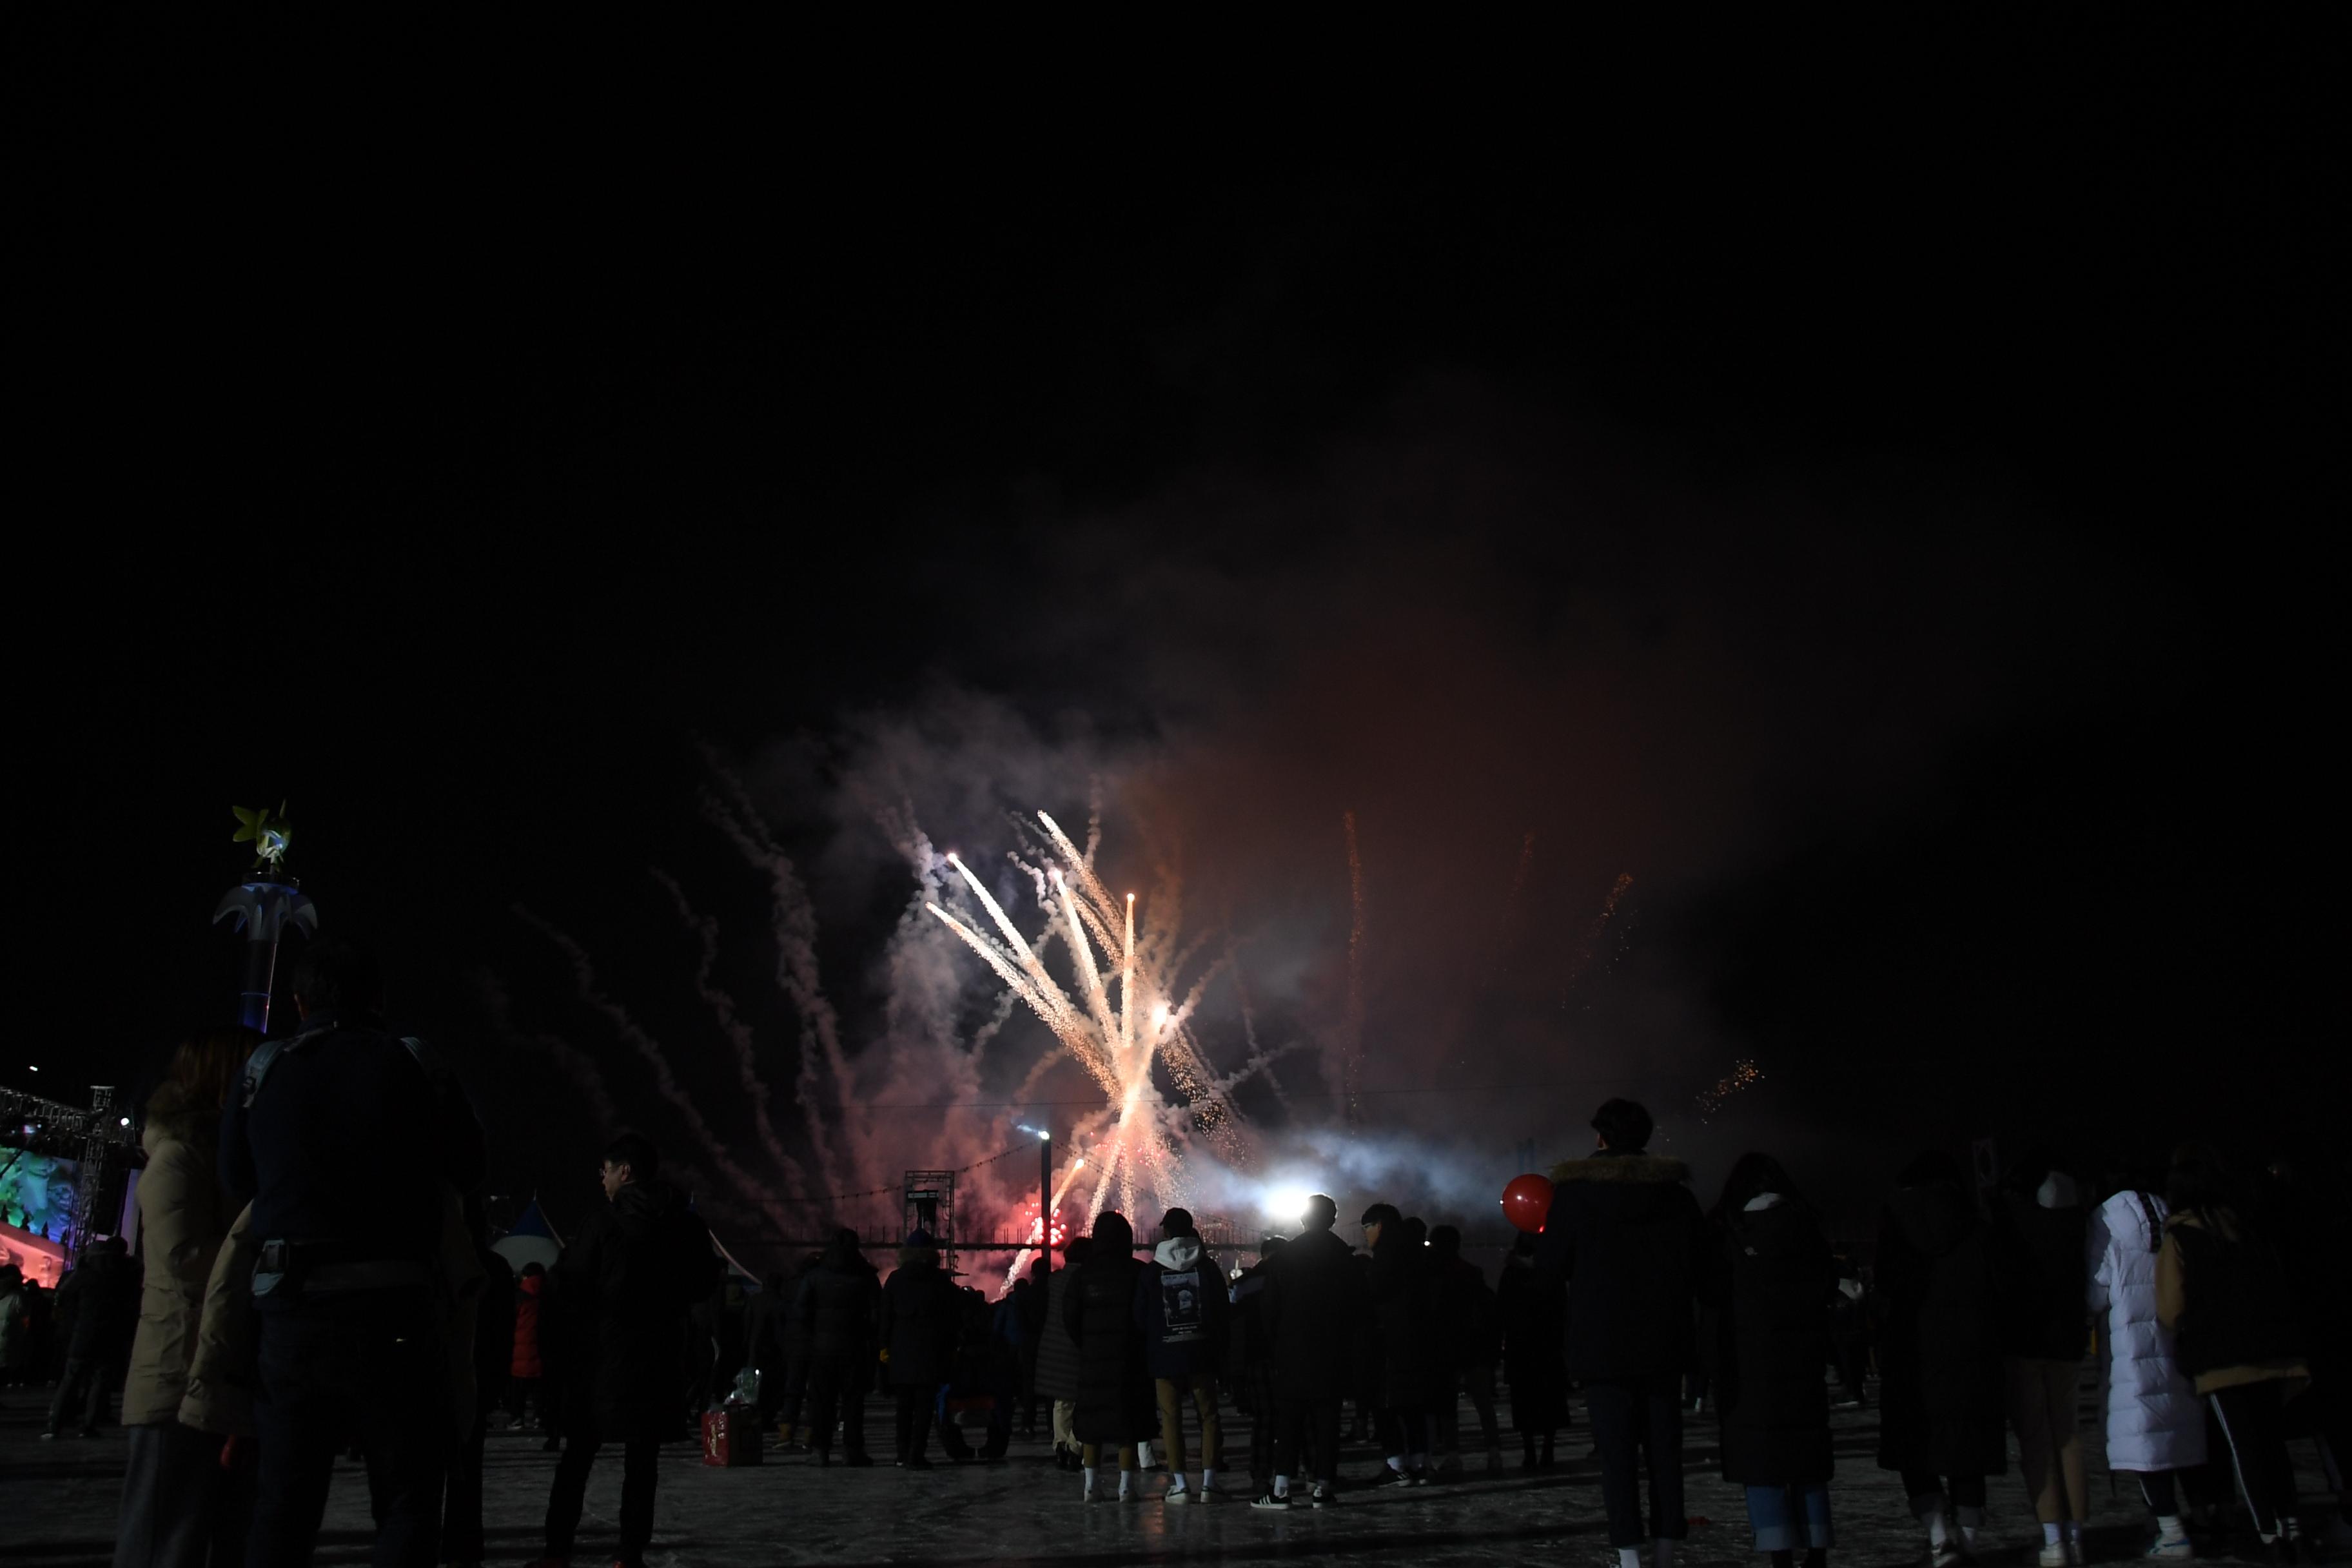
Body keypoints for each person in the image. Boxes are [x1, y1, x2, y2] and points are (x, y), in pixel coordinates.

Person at [531, 1131, 720, 1568]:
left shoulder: (603, 1224)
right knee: (643, 1463)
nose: (603, 1179)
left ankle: (558, 1552)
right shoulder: (686, 1225)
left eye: (607, 1170)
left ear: (626, 1171)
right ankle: (629, 1554)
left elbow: (569, 1288)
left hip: (602, 1359)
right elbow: (704, 1283)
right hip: (659, 1359)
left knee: (577, 1458)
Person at [1536, 1097, 1709, 1568]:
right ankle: (1667, 1549)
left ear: (1602, 1138)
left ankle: (1629, 1553)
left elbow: (1551, 1266)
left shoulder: (1575, 1195)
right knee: (1664, 1451)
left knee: (1616, 1455)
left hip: (1602, 1342)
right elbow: (1702, 1266)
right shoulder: (1676, 1195)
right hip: (1663, 1340)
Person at [110, 1025, 257, 1568]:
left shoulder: (222, 1158)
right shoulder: (176, 1156)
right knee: (162, 1540)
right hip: (174, 1373)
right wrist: (261, 1251)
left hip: (216, 1372)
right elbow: (185, 1258)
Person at [2156, 1141, 2309, 1562]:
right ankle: (2292, 1525)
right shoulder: (2245, 1226)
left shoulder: (2180, 1236)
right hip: (2273, 1351)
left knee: (2246, 1449)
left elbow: (2170, 1309)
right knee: (2273, 1445)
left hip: (2222, 1359)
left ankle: (2267, 1536)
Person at [1705, 1153, 1838, 1568]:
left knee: (1761, 1464)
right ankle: (1817, 1550)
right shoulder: (1804, 1226)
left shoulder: (1727, 1233)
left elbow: (1711, 1303)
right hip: (1802, 1363)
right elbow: (1826, 1287)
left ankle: (1778, 1551)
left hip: (1748, 1366)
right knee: (1807, 1460)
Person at [1874, 1149, 2006, 1568]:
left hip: (1911, 1354)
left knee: (1916, 1447)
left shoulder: (1896, 1225)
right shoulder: (1974, 1223)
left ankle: (1938, 1537)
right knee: (1967, 1447)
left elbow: (1884, 1287)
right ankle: (1967, 1540)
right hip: (1970, 1352)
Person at [2086, 1171, 2206, 1560]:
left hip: (2130, 1348)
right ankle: (2200, 1519)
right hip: (2175, 1340)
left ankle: (2171, 1529)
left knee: (2145, 1441)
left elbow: (2095, 1291)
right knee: (2181, 1431)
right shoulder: (2166, 1212)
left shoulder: (2105, 1221)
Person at [1990, 1150, 2092, 1567]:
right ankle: (2076, 1534)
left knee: (2036, 1440)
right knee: (2068, 1435)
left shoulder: (2007, 1222)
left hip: (2022, 1341)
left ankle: (2054, 1539)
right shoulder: (2072, 1221)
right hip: (2066, 1341)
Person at [1253, 1194, 1369, 1511]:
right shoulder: (1344, 1257)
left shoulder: (1286, 1256)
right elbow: (1359, 1310)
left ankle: (1281, 1490)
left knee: (1289, 1422)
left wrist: (1275, 1343)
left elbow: (1270, 1308)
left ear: (1303, 1220)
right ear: (1332, 1220)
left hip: (1292, 1350)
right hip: (1333, 1351)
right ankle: (1323, 1488)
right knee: (1328, 1422)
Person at [1133, 1208, 1226, 1502]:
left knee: (1171, 1419)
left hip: (1164, 1354)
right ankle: (1210, 1484)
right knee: (1209, 1417)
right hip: (1202, 1352)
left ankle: (1180, 1484)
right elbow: (1223, 1311)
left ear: (1167, 1232)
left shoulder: (1151, 1271)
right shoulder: (1208, 1268)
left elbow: (1139, 1316)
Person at [1063, 1211, 1154, 1502]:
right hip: (1130, 1359)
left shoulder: (1081, 1276)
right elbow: (1146, 1317)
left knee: (1092, 1424)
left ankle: (1091, 1485)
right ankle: (1126, 1486)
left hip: (1093, 1359)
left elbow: (1070, 1319)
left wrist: (1087, 1344)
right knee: (1128, 1423)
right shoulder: (1138, 1272)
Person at [444, 1225, 514, 1568]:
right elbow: (504, 1334)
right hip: (477, 1378)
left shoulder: (431, 1259)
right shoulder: (496, 1267)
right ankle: (465, 1546)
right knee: (467, 1470)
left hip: (433, 1376)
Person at [1362, 1202, 1436, 1485]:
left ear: (1378, 1225)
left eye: (1366, 1229)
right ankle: (1420, 1463)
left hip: (1390, 1341)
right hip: (1420, 1340)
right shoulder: (1419, 1254)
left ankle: (1396, 1464)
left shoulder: (1385, 1255)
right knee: (1414, 1403)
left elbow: (1374, 1296)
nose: (1366, 1236)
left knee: (1384, 1402)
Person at [796, 1227, 879, 1465]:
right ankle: (852, 1450)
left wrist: (810, 1340)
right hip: (855, 1348)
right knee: (853, 1402)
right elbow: (876, 1317)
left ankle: (820, 1450)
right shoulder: (866, 1277)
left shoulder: (814, 1277)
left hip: (822, 1350)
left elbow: (801, 1313)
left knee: (822, 1402)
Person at [45, 1235, 142, 1438]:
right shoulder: (121, 1278)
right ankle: (88, 1426)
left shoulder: (82, 1276)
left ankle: (55, 1424)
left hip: (82, 1336)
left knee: (71, 1380)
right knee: (99, 1383)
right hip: (108, 1338)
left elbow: (62, 1299)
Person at [878, 1228, 959, 1467]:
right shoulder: (940, 1281)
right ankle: (917, 1454)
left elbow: (885, 1317)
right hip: (931, 1351)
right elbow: (951, 1320)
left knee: (903, 1407)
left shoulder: (895, 1279)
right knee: (925, 1407)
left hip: (901, 1350)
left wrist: (884, 1347)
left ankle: (901, 1454)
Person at [1428, 1224, 1503, 1473]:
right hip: (1475, 1345)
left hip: (1447, 1347)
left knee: (1448, 1406)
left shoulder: (1435, 1275)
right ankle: (1494, 1453)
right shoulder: (1473, 1273)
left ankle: (1453, 1455)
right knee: (1483, 1402)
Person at [1499, 1228, 1568, 1468]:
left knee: (1523, 1401)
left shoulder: (1511, 1274)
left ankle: (1529, 1452)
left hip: (1521, 1346)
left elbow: (1503, 1310)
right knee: (1550, 1401)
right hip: (1548, 1345)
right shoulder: (1551, 1274)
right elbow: (1562, 1309)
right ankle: (1547, 1450)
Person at [1228, 1235, 1286, 1497]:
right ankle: (1311, 1471)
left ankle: (1261, 1476)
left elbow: (1233, 1324)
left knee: (1264, 1420)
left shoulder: (1245, 1284)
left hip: (1256, 1356)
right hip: (1287, 1355)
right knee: (1300, 1415)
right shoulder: (1294, 1278)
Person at [1034, 1237, 1090, 1470]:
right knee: (1085, 1402)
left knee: (1061, 1402)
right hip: (1078, 1348)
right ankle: (1075, 1447)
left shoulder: (1053, 1281)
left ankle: (1059, 1444)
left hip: (1053, 1348)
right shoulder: (1087, 1281)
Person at [510, 1262, 549, 1428]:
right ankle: (539, 1417)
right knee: (539, 1389)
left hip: (520, 1350)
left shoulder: (519, 1296)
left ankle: (517, 1417)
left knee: (518, 1390)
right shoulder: (549, 1293)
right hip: (542, 1349)